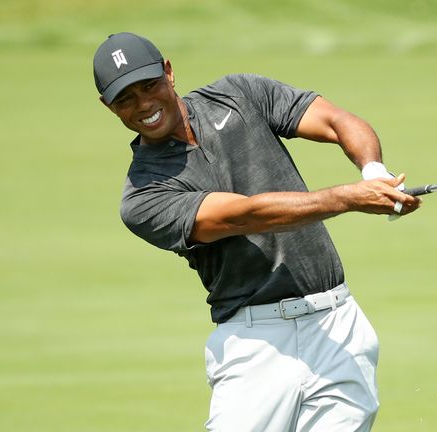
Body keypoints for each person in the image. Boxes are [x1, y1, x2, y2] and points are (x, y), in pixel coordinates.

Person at [93, 32, 420, 431]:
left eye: (149, 86)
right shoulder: (144, 196)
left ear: (169, 72)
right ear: (108, 106)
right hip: (256, 345)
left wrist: (374, 172)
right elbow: (244, 215)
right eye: (126, 98)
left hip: (339, 327)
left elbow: (336, 121)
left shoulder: (238, 93)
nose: (144, 104)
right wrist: (350, 198)